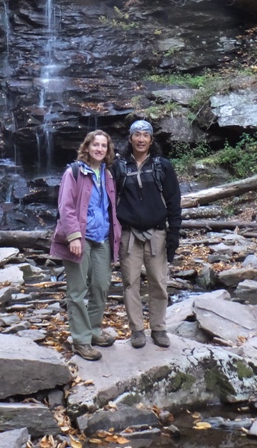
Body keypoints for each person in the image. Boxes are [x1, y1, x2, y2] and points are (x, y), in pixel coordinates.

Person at [51, 130, 121, 361]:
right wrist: (73, 236)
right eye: (95, 145)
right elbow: (66, 206)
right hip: (80, 239)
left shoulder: (108, 175)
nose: (99, 149)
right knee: (78, 290)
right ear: (87, 147)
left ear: (107, 150)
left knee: (101, 285)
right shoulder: (74, 172)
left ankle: (94, 330)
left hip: (102, 238)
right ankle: (81, 340)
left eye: (103, 145)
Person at [113, 120, 181, 349]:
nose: (141, 139)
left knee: (159, 282)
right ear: (130, 139)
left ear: (151, 140)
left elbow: (174, 201)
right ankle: (137, 330)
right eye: (137, 135)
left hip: (157, 234)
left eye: (145, 135)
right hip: (128, 234)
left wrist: (175, 233)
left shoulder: (163, 166)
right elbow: (110, 202)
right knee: (130, 282)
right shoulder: (119, 166)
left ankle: (159, 328)